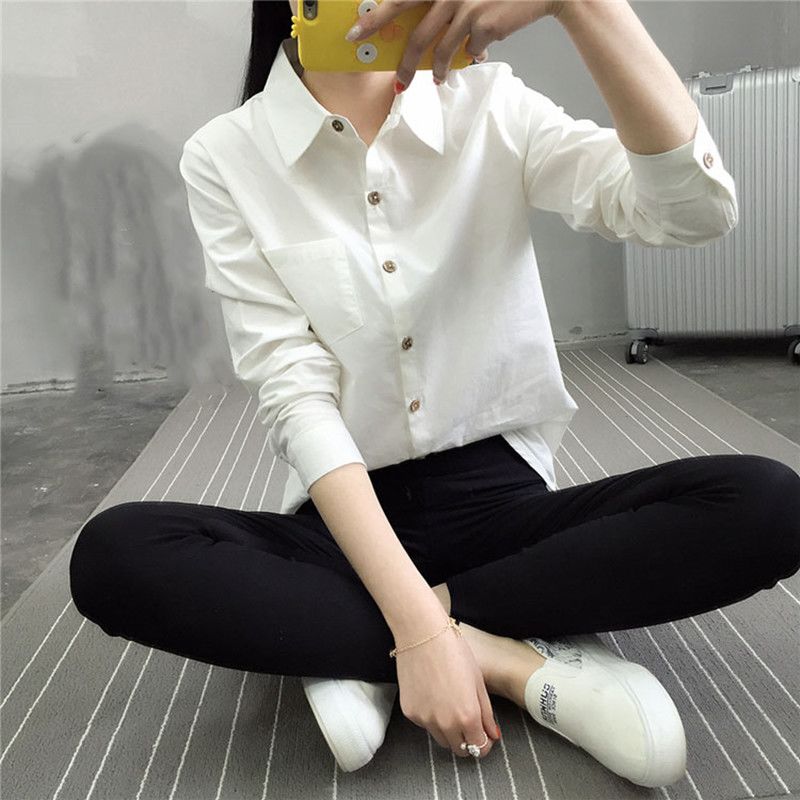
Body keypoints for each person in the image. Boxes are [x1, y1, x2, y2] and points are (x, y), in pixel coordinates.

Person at [68, 0, 800, 787]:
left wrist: (581, 3)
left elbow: (693, 211)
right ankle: (506, 658)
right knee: (115, 558)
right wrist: (418, 631)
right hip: (347, 524)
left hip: (504, 510)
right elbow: (294, 392)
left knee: (768, 504)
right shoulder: (227, 153)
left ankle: (361, 649)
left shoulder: (488, 103)